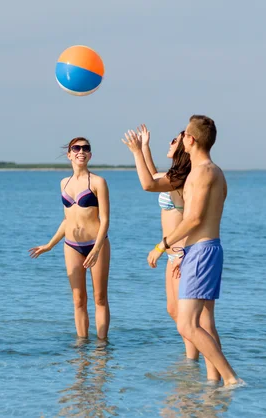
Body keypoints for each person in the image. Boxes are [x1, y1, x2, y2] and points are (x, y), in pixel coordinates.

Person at [144, 115, 240, 386]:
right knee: (204, 324)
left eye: (185, 134)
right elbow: (153, 183)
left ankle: (231, 378)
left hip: (201, 251)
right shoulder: (214, 171)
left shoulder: (203, 172)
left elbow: (194, 219)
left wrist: (161, 246)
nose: (182, 137)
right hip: (202, 250)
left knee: (186, 325)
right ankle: (213, 384)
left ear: (192, 139)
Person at [122, 125, 199, 361]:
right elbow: (154, 175)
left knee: (186, 319)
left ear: (183, 148)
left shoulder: (181, 179)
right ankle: (192, 360)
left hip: (181, 253)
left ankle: (192, 360)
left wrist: (136, 152)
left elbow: (148, 184)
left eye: (173, 141)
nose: (170, 143)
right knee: (173, 311)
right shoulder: (173, 176)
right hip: (171, 253)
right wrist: (145, 147)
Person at [29, 137, 111, 339]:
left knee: (99, 298)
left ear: (90, 155)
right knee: (78, 299)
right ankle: (82, 348)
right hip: (72, 246)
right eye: (76, 148)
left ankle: (101, 347)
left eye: (85, 148)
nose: (80, 151)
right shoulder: (64, 183)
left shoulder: (98, 182)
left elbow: (105, 219)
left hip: (96, 244)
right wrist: (49, 245)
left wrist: (97, 248)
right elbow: (67, 220)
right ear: (69, 154)